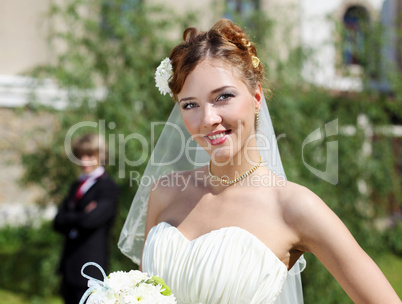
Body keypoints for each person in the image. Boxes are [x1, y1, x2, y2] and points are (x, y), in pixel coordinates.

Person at [119, 19, 400, 303]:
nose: (208, 119)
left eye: (223, 97)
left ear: (256, 98)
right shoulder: (164, 192)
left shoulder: (294, 207)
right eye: (190, 104)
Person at [54, 133, 119, 304]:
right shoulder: (76, 185)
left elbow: (91, 221)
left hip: (90, 268)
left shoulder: (108, 187)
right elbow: (57, 221)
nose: (84, 161)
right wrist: (83, 213)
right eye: (80, 156)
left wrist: (74, 216)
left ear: (101, 155)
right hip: (68, 265)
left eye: (89, 155)